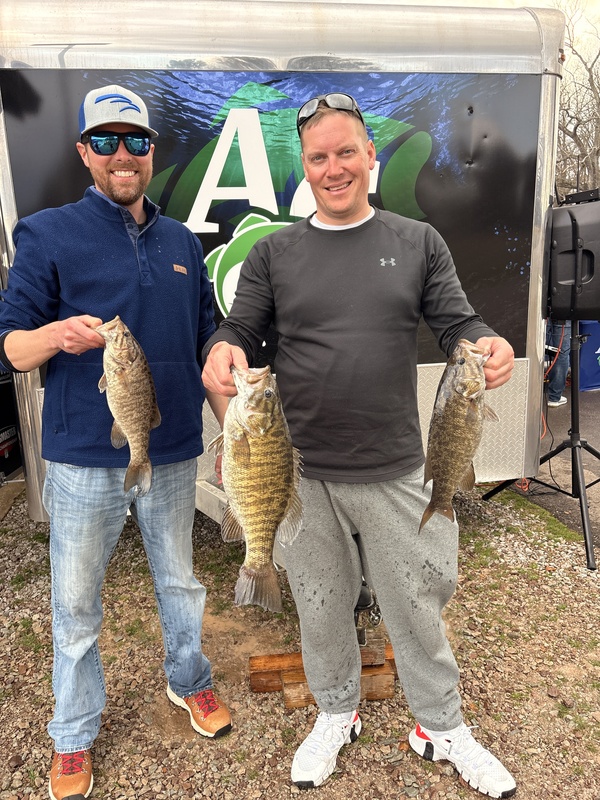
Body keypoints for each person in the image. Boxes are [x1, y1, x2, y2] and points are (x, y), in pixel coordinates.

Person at [202, 93, 517, 798]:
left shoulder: (418, 242)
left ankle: (441, 726)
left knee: (417, 604)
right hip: (299, 473)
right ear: (304, 167)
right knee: (320, 603)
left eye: (347, 152)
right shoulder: (275, 252)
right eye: (319, 157)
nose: (334, 168)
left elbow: (458, 322)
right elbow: (241, 328)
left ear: (370, 155)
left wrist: (486, 342)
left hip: (396, 466)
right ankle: (336, 711)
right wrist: (222, 349)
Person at [0, 84, 232, 800]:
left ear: (152, 151)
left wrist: (235, 421)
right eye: (105, 140)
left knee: (181, 582)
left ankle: (188, 679)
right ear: (84, 151)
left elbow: (208, 339)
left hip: (172, 450)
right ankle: (73, 734)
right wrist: (53, 335)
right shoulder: (45, 234)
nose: (122, 154)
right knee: (75, 605)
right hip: (81, 460)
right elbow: (13, 348)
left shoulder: (183, 243)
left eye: (135, 140)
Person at [545, 317, 571, 407]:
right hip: (563, 314)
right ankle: (554, 397)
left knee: (535, 349)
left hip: (542, 313)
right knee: (561, 354)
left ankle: (529, 393)